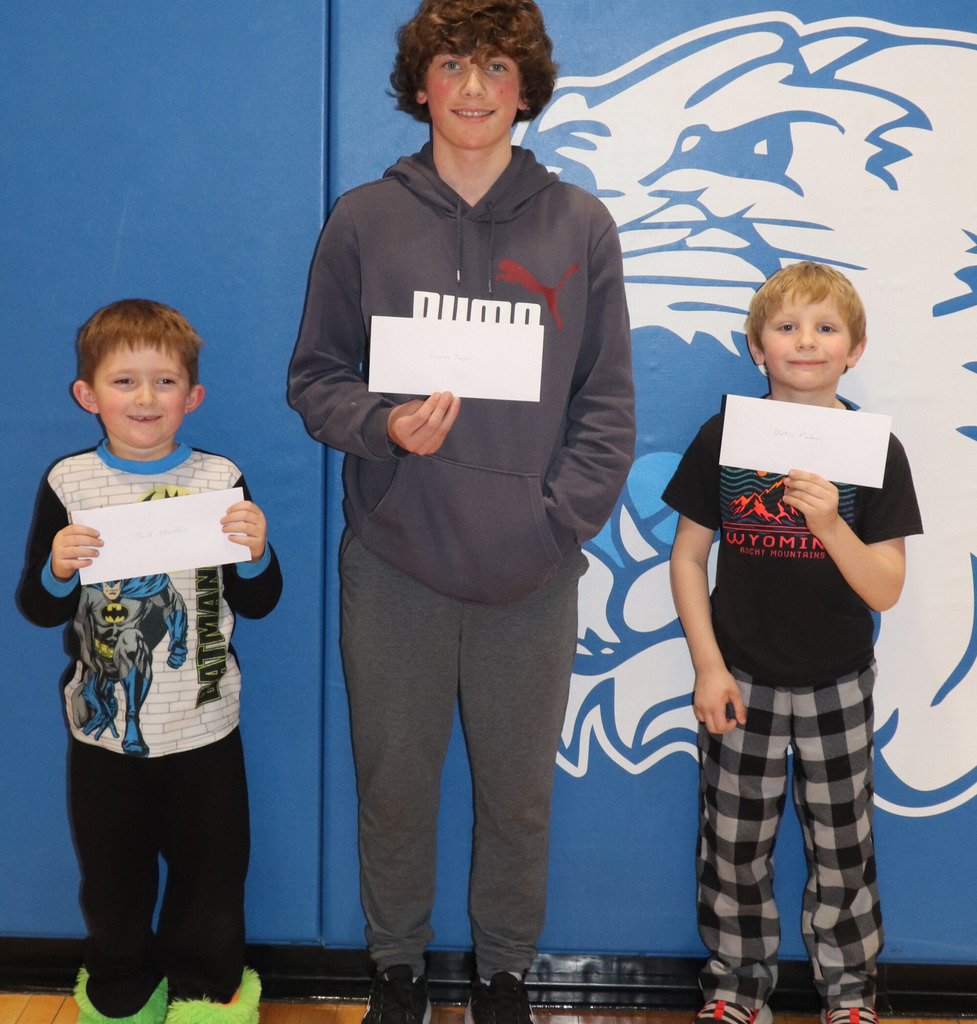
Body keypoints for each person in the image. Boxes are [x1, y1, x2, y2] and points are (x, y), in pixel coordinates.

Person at [287, 1, 635, 1022]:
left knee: (516, 800)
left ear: (523, 86)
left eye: (494, 65)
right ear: (421, 85)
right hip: (393, 561)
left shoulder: (579, 223)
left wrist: (548, 522)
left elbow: (607, 407)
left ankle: (502, 978)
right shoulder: (362, 218)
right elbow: (313, 380)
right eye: (452, 64)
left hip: (528, 571)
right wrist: (380, 426)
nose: (474, 87)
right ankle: (394, 971)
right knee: (393, 788)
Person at [663, 262, 922, 1024]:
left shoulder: (875, 449)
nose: (804, 341)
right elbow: (685, 557)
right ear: (755, 347)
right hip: (739, 677)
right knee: (733, 848)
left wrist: (829, 523)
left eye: (825, 327)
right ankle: (736, 989)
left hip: (837, 680)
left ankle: (848, 995)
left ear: (855, 350)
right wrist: (708, 667)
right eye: (785, 327)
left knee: (842, 847)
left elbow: (884, 586)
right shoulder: (725, 436)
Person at [19, 299, 282, 1024]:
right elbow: (38, 607)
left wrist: (258, 550)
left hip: (204, 724)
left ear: (193, 397)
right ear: (88, 395)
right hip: (104, 733)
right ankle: (120, 990)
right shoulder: (69, 483)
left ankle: (206, 993)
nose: (145, 398)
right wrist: (56, 568)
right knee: (113, 879)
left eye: (165, 382)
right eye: (124, 381)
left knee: (211, 876)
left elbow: (259, 601)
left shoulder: (220, 476)